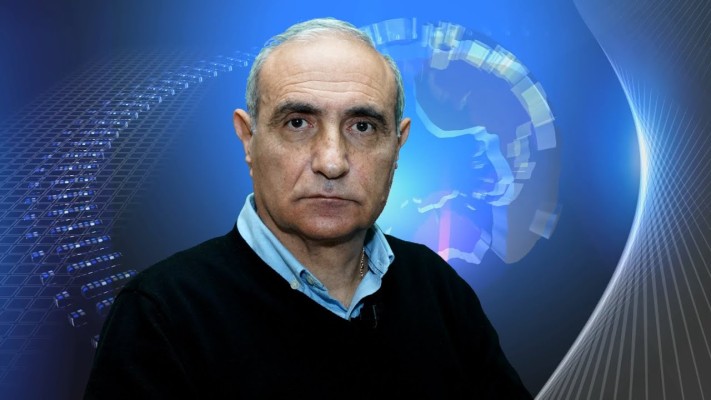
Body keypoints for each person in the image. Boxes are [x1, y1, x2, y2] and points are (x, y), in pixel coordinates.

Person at [84, 17, 532, 399]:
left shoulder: (438, 290)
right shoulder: (161, 314)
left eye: (362, 126)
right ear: (248, 139)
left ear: (398, 145)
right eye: (298, 123)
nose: (332, 162)